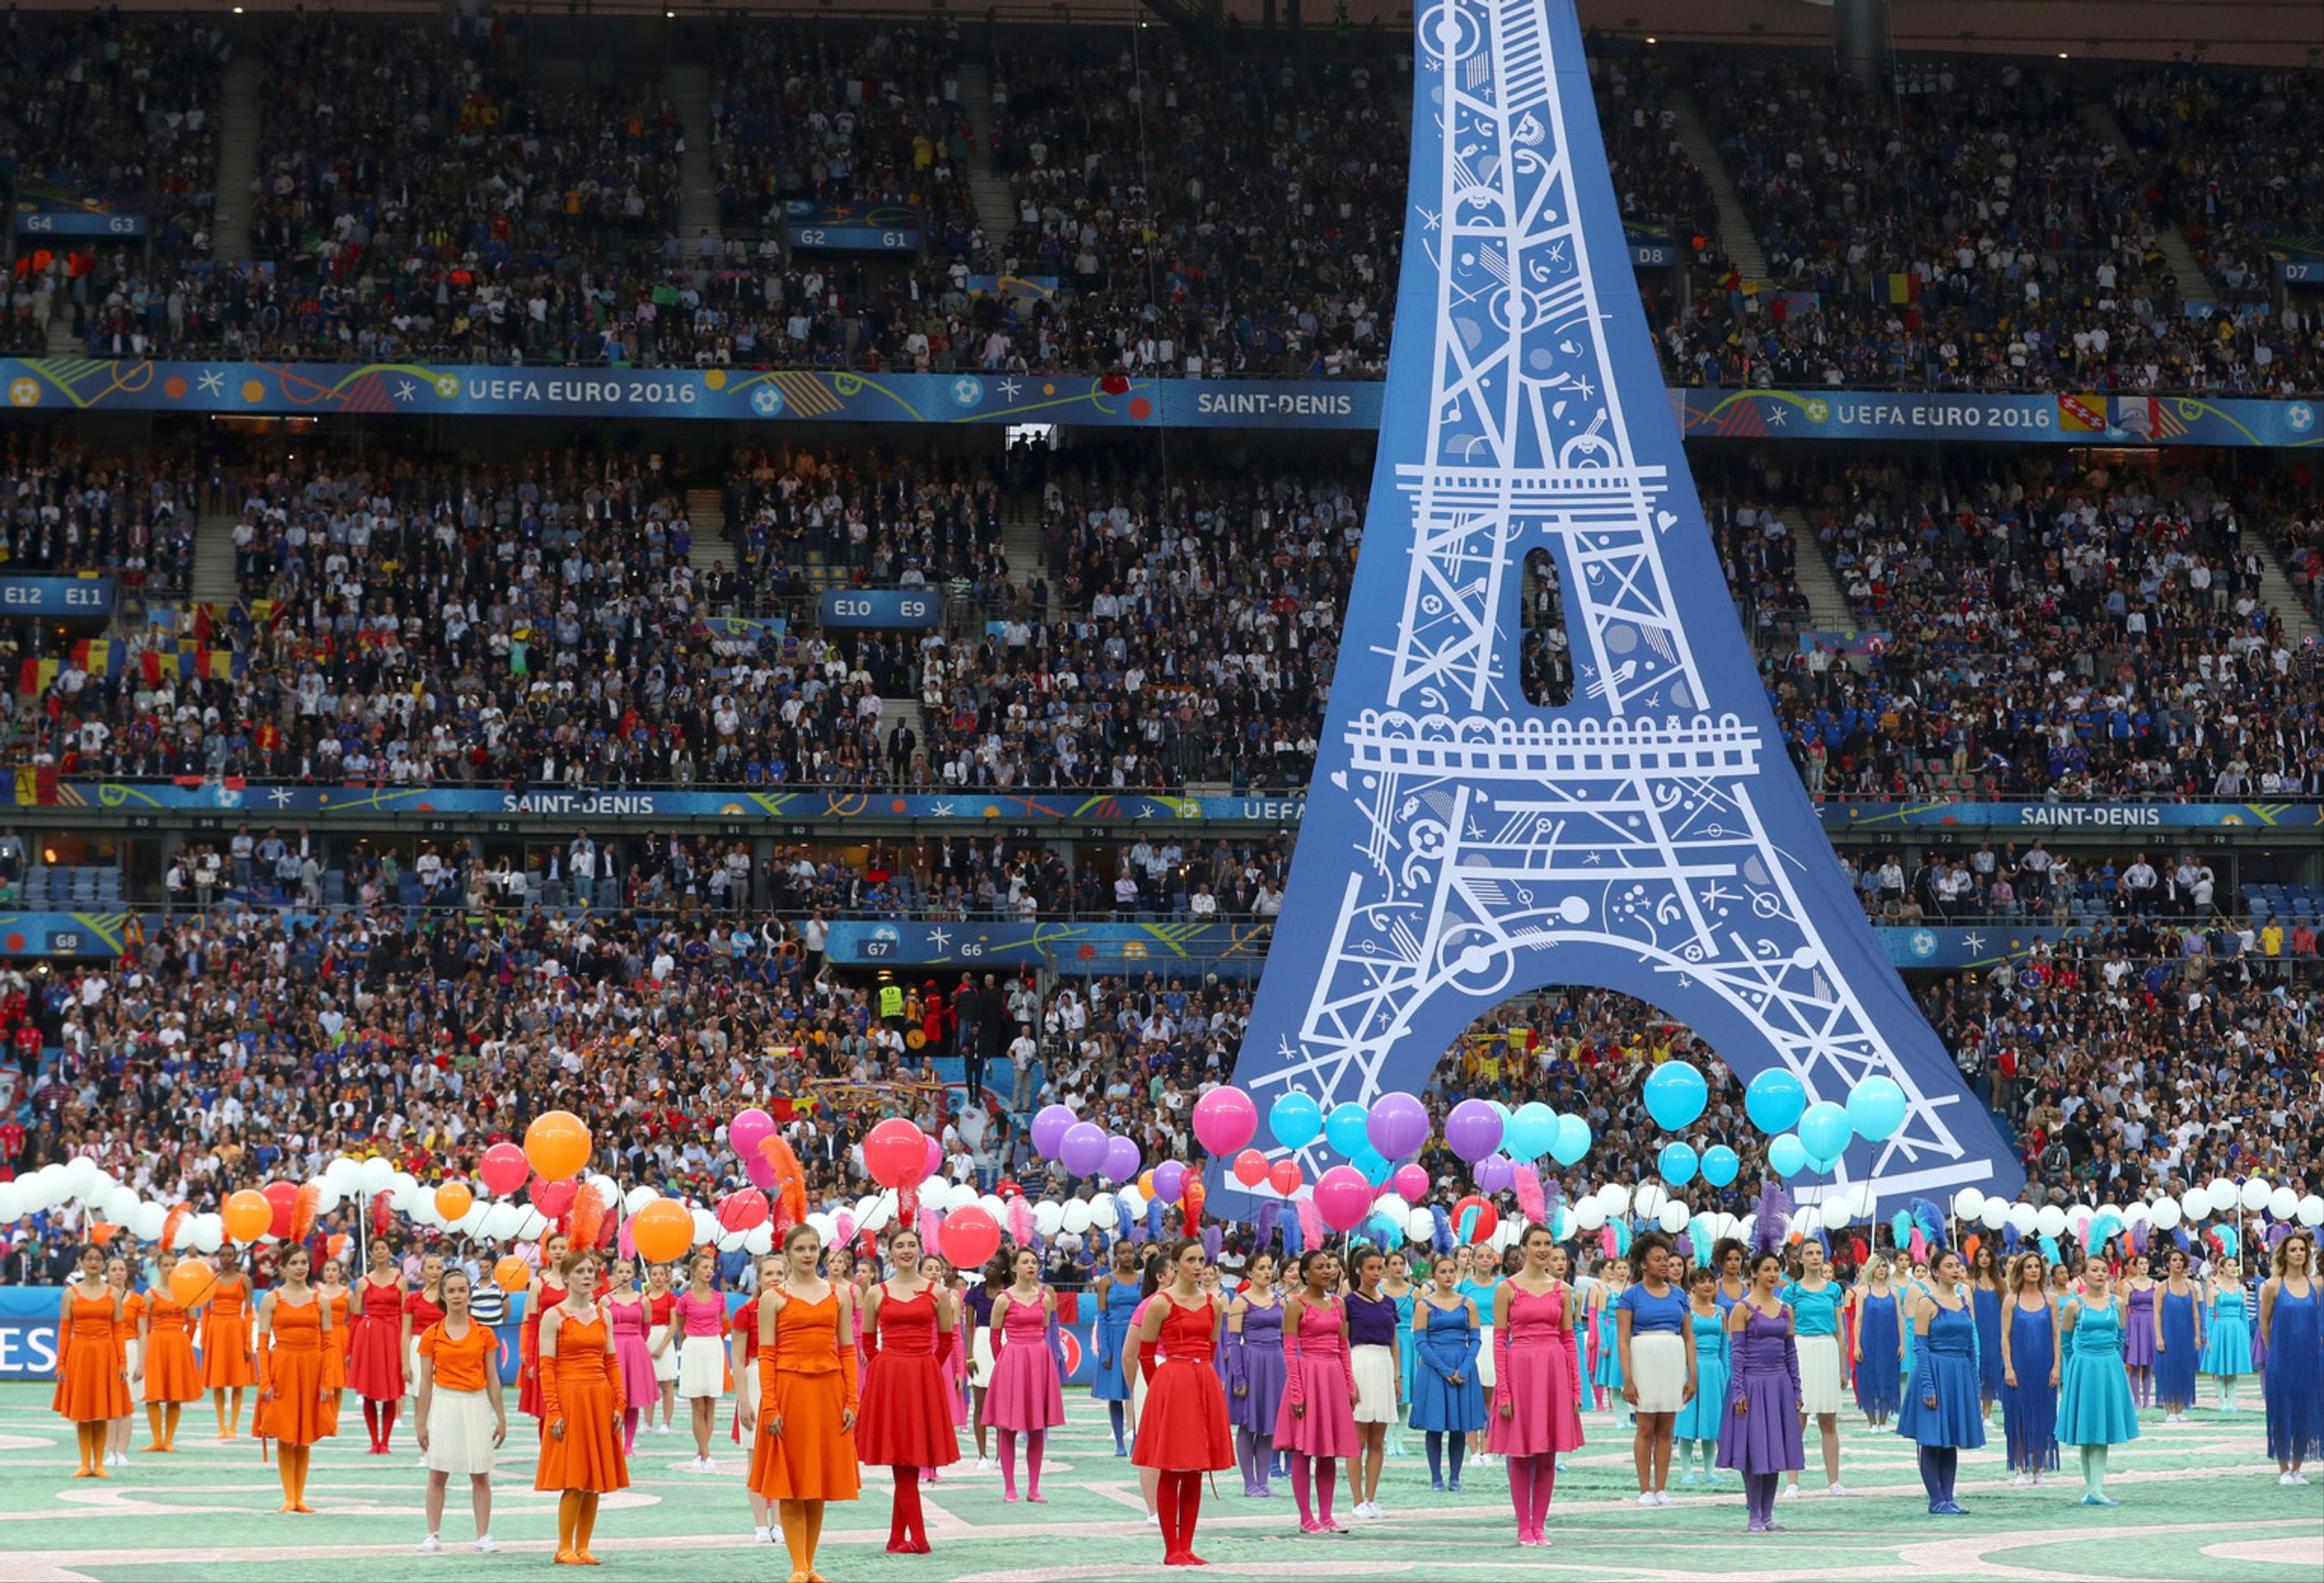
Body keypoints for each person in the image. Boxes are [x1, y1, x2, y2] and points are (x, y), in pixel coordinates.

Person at [745, 1225, 862, 1583]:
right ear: (788, 1253)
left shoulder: (839, 1295)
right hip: (789, 1391)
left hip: (828, 1393)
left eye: (813, 1248)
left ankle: (809, 1566)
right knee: (792, 1484)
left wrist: (852, 1398)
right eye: (800, 1249)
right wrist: (769, 1405)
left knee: (817, 1485)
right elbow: (766, 1354)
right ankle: (798, 1566)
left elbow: (846, 1349)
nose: (808, 1255)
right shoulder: (773, 1298)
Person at [1130, 1238, 1236, 1567]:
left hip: (1202, 1380)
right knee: (1172, 1468)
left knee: (1194, 1469)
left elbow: (1213, 1347)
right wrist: (1162, 1391)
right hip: (1172, 1383)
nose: (1198, 1265)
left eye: (1201, 1259)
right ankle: (1171, 1548)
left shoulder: (1214, 1303)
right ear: (1175, 1264)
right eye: (1191, 1259)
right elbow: (1145, 1356)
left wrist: (1203, 1381)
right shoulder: (1160, 1304)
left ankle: (1186, 1546)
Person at [857, 1226, 960, 1554]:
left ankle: (918, 1539)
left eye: (911, 1244)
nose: (906, 1250)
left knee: (908, 1458)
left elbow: (945, 1342)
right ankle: (901, 1537)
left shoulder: (937, 1292)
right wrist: (887, 1367)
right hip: (889, 1377)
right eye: (899, 1245)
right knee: (901, 1458)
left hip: (921, 1375)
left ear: (919, 1249)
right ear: (889, 1251)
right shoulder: (876, 1292)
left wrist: (923, 1366)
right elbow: (869, 1343)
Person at [1488, 1224, 1585, 1547]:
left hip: (1553, 1371)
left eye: (1547, 1243)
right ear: (1524, 1247)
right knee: (1521, 1452)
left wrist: (1575, 1388)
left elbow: (1569, 1340)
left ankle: (1539, 1526)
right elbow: (1500, 1340)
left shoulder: (1563, 1290)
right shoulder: (1507, 1288)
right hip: (1520, 1371)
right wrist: (1503, 1390)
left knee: (1547, 1454)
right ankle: (1523, 1526)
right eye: (1537, 1243)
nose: (1543, 1249)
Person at [536, 1249, 628, 1567]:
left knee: (594, 1482)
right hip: (570, 1398)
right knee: (575, 1479)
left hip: (599, 1398)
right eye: (580, 1272)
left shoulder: (605, 1315)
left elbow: (612, 1361)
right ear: (565, 1278)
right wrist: (554, 1410)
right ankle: (564, 1548)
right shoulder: (553, 1316)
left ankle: (584, 1547)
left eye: (591, 1271)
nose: (588, 1276)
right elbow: (547, 1367)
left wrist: (619, 1401)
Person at [416, 1266, 506, 1554]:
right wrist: (421, 1423)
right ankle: (433, 1534)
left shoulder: (484, 1334)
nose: (457, 1295)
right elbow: (426, 1383)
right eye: (451, 1291)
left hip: (476, 1403)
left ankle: (483, 1535)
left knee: (480, 1473)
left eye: (462, 1290)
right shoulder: (431, 1335)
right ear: (442, 1295)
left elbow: (493, 1379)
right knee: (437, 1473)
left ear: (470, 1294)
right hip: (444, 1404)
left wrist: (501, 1418)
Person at [1719, 1249, 1804, 1534]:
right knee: (1755, 1452)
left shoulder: (1785, 1309)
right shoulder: (1742, 1309)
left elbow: (1791, 1352)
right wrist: (1739, 1391)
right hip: (1753, 1385)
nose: (1772, 1274)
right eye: (1766, 1269)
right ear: (1754, 1272)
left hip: (1779, 1384)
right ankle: (1753, 1514)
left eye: (1776, 1269)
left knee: (1776, 1450)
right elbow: (1737, 1353)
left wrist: (1796, 1389)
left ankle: (1768, 1514)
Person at [1276, 1247, 1359, 1535]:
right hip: (1308, 1375)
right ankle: (1305, 1517)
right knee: (1303, 1449)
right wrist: (1297, 1392)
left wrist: (1350, 1384)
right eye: (1320, 1267)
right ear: (1305, 1273)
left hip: (1333, 1376)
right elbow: (1289, 1351)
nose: (1327, 1271)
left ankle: (1327, 1515)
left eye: (1330, 1267)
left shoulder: (1338, 1303)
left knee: (1329, 1451)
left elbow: (1344, 1348)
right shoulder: (1295, 1305)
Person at [1898, 1247, 1985, 1515]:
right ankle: (1936, 1499)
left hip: (1959, 1374)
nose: (1956, 1270)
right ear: (1936, 1271)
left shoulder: (1964, 1303)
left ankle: (1948, 1497)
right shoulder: (1927, 1303)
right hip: (1935, 1371)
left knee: (1951, 1440)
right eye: (1949, 1266)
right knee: (1933, 1439)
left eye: (1958, 1265)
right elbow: (1920, 1347)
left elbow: (1971, 1345)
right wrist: (1927, 1384)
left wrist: (1974, 1378)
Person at [1616, 1230, 1697, 1506]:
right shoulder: (1630, 1296)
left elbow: (1688, 1337)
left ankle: (1661, 1487)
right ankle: (1644, 1489)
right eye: (1658, 1259)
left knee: (1666, 1429)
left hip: (1672, 1360)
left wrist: (1692, 1375)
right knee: (1645, 1428)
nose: (1664, 1264)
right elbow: (1623, 1340)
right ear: (1643, 1264)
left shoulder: (1679, 1294)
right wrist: (1628, 1379)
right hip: (1643, 1359)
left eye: (1667, 1258)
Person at [255, 1245, 334, 1513]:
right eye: (295, 1263)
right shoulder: (271, 1299)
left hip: (311, 1368)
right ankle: (288, 1496)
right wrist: (265, 1380)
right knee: (285, 1433)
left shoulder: (320, 1300)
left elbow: (329, 1344)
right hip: (283, 1367)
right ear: (284, 1267)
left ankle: (300, 1497)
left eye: (304, 1263)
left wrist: (327, 1381)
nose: (300, 1268)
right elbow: (262, 1343)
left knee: (304, 1435)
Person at [2054, 1259, 2140, 1505]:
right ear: (2083, 1274)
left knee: (2102, 1428)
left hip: (2109, 1366)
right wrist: (2074, 1369)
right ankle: (2091, 1488)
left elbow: (2121, 1336)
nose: (2100, 1274)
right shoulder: (2073, 1304)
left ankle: (2097, 1488)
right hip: (2083, 1367)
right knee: (2087, 1427)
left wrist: (2110, 1360)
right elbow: (2066, 1342)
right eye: (2095, 1270)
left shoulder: (2118, 1303)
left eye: (2104, 1270)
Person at [984, 1247, 1064, 1503]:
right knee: (1007, 1427)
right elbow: (995, 1338)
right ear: (1014, 1267)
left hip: (1039, 1359)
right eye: (1025, 1262)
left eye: (1034, 1262)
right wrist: (1006, 1364)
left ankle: (1034, 1487)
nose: (1031, 1266)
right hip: (1012, 1360)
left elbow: (1044, 1331)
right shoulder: (1003, 1299)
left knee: (1037, 1426)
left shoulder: (1044, 1298)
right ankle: (1010, 1487)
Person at [1408, 1252, 1484, 1492]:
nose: (1448, 1276)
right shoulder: (1424, 1304)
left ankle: (1455, 1476)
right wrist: (1443, 1369)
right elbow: (1420, 1342)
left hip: (1463, 1364)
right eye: (1443, 1271)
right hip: (1434, 1368)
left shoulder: (1468, 1303)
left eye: (1452, 1271)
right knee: (1435, 1424)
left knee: (1459, 1425)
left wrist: (1465, 1366)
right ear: (1434, 1275)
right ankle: (1436, 1478)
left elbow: (1475, 1339)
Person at [53, 1245, 128, 1478]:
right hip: (80, 1354)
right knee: (83, 1411)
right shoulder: (71, 1294)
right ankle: (85, 1464)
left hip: (105, 1353)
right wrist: (61, 1363)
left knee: (102, 1411)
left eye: (97, 1259)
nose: (93, 1263)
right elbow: (65, 1329)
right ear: (81, 1262)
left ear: (103, 1262)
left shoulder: (113, 1293)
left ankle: (100, 1464)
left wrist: (122, 1362)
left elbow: (118, 1330)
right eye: (89, 1259)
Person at [1779, 1238, 1846, 1497]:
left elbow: (1841, 1332)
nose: (1815, 1257)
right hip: (1801, 1350)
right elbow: (1787, 1332)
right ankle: (1792, 1482)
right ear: (1801, 1258)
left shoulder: (1834, 1290)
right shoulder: (1791, 1292)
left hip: (1827, 1348)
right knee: (1798, 1418)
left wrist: (1843, 1368)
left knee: (1828, 1420)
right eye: (1810, 1253)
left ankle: (1834, 1481)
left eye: (1819, 1252)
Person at [1342, 1244, 1401, 1517]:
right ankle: (1356, 1500)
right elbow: (1342, 1340)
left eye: (1380, 1267)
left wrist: (1397, 1377)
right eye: (1371, 1268)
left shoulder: (1389, 1302)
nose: (1377, 1273)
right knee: (1358, 1439)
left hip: (1384, 1365)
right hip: (1360, 1363)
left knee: (1379, 1438)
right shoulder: (1349, 1302)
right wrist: (1348, 1379)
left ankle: (1371, 1497)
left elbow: (1394, 1340)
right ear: (1359, 1270)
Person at [2257, 1231, 2319, 1486]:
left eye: (2302, 1250)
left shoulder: (2317, 1284)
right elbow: (2264, 1322)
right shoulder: (2273, 1285)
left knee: (2305, 1413)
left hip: (2310, 1359)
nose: (2298, 1253)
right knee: (2283, 1412)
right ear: (2284, 1254)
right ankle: (2283, 1469)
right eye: (2293, 1249)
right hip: (2281, 1359)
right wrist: (2274, 1351)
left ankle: (2297, 1467)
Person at [1225, 1249, 1287, 1496]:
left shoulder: (1280, 1300)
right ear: (1249, 1271)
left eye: (1269, 1267)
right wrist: (1239, 1377)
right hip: (1251, 1361)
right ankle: (1249, 1482)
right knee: (1248, 1425)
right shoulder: (1240, 1301)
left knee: (1268, 1424)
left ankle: (1263, 1481)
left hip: (1275, 1363)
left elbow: (1287, 1336)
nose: (1266, 1272)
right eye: (1261, 1267)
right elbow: (1233, 1341)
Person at [728, 1256, 782, 1544]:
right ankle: (761, 1524)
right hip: (756, 1377)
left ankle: (780, 1524)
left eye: (780, 1273)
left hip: (786, 1378)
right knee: (755, 1457)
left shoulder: (791, 1310)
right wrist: (744, 1401)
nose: (774, 1278)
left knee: (785, 1457)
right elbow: (737, 1359)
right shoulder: (746, 1311)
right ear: (758, 1278)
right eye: (769, 1273)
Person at [1998, 1252, 2060, 1487]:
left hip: (2044, 1364)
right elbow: (2004, 1336)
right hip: (2019, 1365)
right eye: (2028, 1267)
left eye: (2037, 1266)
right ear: (2020, 1271)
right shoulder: (2011, 1300)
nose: (2033, 1270)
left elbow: (2056, 1335)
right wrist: (2008, 1366)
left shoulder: (2051, 1299)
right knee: (2019, 1416)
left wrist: (2056, 1365)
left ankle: (2039, 1468)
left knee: (2043, 1416)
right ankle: (2020, 1468)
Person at [138, 1249, 201, 1453]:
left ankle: (169, 1440)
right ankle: (157, 1439)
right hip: (156, 1344)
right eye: (165, 1265)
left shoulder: (186, 1292)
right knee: (153, 1393)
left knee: (175, 1394)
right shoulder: (149, 1294)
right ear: (159, 1267)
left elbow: (192, 1321)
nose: (169, 1269)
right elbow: (143, 1324)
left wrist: (184, 1343)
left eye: (173, 1265)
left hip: (178, 1344)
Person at [348, 1242, 408, 1454]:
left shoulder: (401, 1282)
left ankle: (386, 1442)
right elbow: (355, 1317)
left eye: (384, 1248)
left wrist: (405, 1345)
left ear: (390, 1252)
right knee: (369, 1390)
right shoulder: (362, 1283)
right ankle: (374, 1441)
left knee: (392, 1390)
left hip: (393, 1335)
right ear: (371, 1254)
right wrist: (350, 1349)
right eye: (377, 1249)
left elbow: (405, 1315)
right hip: (370, 1337)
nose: (381, 1252)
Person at [1673, 1261, 1729, 1487]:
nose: (1707, 1285)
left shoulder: (1721, 1312)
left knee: (1711, 1422)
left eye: (1711, 1280)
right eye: (1701, 1281)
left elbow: (1725, 1346)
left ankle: (1709, 1470)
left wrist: (1726, 1372)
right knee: (1687, 1422)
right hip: (1691, 1369)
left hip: (1714, 1370)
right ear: (1692, 1285)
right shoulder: (1685, 1312)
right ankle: (1686, 1471)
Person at [674, 1250, 730, 1472]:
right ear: (694, 1270)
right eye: (705, 1267)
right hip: (693, 1347)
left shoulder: (719, 1297)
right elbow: (680, 1323)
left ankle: (703, 1453)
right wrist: (687, 1341)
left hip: (713, 1346)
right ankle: (705, 1453)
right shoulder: (685, 1299)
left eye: (711, 1267)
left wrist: (714, 1336)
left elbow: (726, 1323)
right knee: (697, 1405)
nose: (709, 1271)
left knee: (711, 1404)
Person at [200, 1244, 256, 1440]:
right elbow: (206, 1311)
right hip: (216, 1330)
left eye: (229, 1255)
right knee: (218, 1382)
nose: (226, 1258)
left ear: (236, 1256)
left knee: (237, 1382)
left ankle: (233, 1426)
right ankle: (221, 1426)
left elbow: (249, 1313)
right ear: (218, 1257)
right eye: (222, 1255)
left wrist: (248, 1342)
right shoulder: (210, 1280)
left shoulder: (245, 1281)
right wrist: (204, 1338)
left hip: (235, 1329)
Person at [1092, 1240, 1142, 1455]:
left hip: (1138, 1335)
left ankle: (1137, 1441)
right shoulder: (1106, 1281)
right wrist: (1105, 1349)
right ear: (1116, 1255)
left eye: (1130, 1252)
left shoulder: (1143, 1280)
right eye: (1123, 1252)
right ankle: (1120, 1444)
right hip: (1114, 1336)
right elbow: (1102, 1317)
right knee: (1115, 1393)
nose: (1127, 1256)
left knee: (1138, 1391)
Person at [523, 1233, 576, 1428]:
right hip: (544, 1348)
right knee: (546, 1403)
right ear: (548, 1251)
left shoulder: (576, 1281)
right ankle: (546, 1451)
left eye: (563, 1247)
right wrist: (530, 1360)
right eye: (554, 1248)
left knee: (569, 1400)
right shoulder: (538, 1283)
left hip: (571, 1347)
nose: (559, 1252)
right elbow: (531, 1324)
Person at [606, 1259, 655, 1455]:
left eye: (628, 1271)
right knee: (613, 1398)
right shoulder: (605, 1300)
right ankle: (613, 1440)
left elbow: (646, 1328)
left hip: (635, 1349)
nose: (625, 1275)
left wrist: (635, 1345)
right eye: (621, 1271)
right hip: (613, 1349)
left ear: (634, 1274)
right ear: (614, 1274)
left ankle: (629, 1444)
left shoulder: (643, 1300)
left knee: (632, 1398)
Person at [2154, 1247, 2205, 1423]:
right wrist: (2159, 1337)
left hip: (2187, 1334)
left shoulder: (2191, 1287)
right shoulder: (2162, 1287)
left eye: (2180, 1260)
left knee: (2185, 1370)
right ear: (2168, 1264)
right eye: (2174, 1260)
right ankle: (2169, 1410)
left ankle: (2181, 1408)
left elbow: (2196, 1313)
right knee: (2168, 1371)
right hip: (2169, 1333)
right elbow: (2157, 1314)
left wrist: (2198, 1335)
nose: (2177, 1263)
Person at [1851, 1257, 1903, 1428]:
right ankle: (1872, 1422)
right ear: (1872, 1268)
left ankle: (1883, 1421)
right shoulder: (1863, 1292)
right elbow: (1858, 1320)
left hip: (1890, 1340)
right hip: (1869, 1341)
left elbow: (1899, 1319)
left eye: (1885, 1266)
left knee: (1888, 1379)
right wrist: (1857, 1344)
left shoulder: (1894, 1292)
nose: (1882, 1269)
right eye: (1879, 1266)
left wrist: (1902, 1344)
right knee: (1869, 1379)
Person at [2203, 1257, 2255, 1413]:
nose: (2233, 1268)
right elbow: (2210, 1315)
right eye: (2229, 1266)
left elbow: (2244, 1314)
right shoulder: (2214, 1290)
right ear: (2222, 1268)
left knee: (2233, 1369)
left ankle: (2231, 1402)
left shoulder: (2242, 1289)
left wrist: (2246, 1335)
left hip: (2237, 1329)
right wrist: (2210, 1337)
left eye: (2234, 1265)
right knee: (2220, 1368)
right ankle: (2222, 1402)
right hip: (2220, 1329)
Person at [965, 1253, 1002, 1470]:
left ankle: (1001, 1454)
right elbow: (968, 1326)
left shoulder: (1009, 1292)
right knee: (980, 1404)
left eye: (994, 1266)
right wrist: (969, 1356)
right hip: (980, 1344)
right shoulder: (975, 1292)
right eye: (988, 1264)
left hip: (1003, 1343)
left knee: (1002, 1404)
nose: (988, 1268)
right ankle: (982, 1455)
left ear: (1004, 1270)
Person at [1383, 1250, 1416, 1460]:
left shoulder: (1415, 1291)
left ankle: (1399, 1439)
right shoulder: (1379, 1290)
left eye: (1401, 1263)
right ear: (1386, 1267)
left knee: (1404, 1397)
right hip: (1387, 1341)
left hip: (1407, 1341)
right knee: (1388, 1394)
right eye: (1393, 1263)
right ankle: (1388, 1440)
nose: (1397, 1267)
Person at [1968, 1242, 2007, 1420]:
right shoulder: (1970, 1284)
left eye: (1987, 1255)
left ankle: (1986, 1415)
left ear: (1992, 1259)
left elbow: (2005, 1310)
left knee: (1991, 1370)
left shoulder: (2001, 1284)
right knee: (1975, 1369)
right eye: (1980, 1255)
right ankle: (1973, 1413)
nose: (1984, 1258)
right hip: (1977, 1331)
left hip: (1995, 1331)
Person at [643, 1260, 680, 1435]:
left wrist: (661, 1347)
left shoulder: (671, 1298)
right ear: (649, 1277)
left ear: (667, 1276)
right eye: (654, 1274)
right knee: (648, 1384)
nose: (658, 1277)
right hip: (647, 1338)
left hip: (664, 1338)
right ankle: (647, 1422)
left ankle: (666, 1422)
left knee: (667, 1384)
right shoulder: (643, 1298)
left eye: (661, 1274)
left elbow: (674, 1325)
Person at [317, 1257, 352, 1440]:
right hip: (321, 1336)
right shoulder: (317, 1292)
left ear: (340, 1272)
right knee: (322, 1380)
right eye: (328, 1269)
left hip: (340, 1337)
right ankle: (322, 1419)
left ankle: (333, 1422)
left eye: (334, 1269)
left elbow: (354, 1319)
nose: (330, 1273)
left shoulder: (347, 1294)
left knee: (338, 1383)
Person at [107, 1257, 138, 1467]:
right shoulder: (102, 1297)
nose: (118, 1273)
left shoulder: (137, 1300)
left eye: (121, 1270)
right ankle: (110, 1452)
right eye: (114, 1270)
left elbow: (144, 1333)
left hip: (131, 1348)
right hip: (107, 1350)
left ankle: (123, 1453)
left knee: (127, 1405)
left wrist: (142, 1362)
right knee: (108, 1405)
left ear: (127, 1274)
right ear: (107, 1273)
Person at [2120, 1253, 2157, 1409]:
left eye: (2146, 1263)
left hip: (2151, 1323)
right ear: (2135, 1267)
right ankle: (2136, 1399)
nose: (2143, 1266)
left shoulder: (2156, 1284)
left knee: (2149, 1364)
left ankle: (2147, 1399)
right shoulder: (2128, 1285)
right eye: (2140, 1263)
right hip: (2134, 1323)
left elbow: (2159, 1307)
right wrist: (2125, 1331)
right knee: (2135, 1363)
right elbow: (2123, 1309)